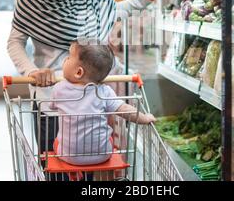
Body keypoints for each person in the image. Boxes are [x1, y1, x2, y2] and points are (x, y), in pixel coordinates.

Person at [7, 0, 176, 156]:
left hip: (93, 98)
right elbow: (15, 42)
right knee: (56, 169)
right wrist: (32, 71)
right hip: (53, 99)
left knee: (92, 169)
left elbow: (111, 10)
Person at [47, 39, 155, 167]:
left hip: (69, 157)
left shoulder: (60, 89)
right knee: (109, 137)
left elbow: (52, 107)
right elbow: (125, 109)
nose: (65, 59)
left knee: (56, 142)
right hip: (103, 155)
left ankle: (72, 171)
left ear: (78, 72)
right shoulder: (104, 91)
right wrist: (145, 118)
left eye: (69, 57)